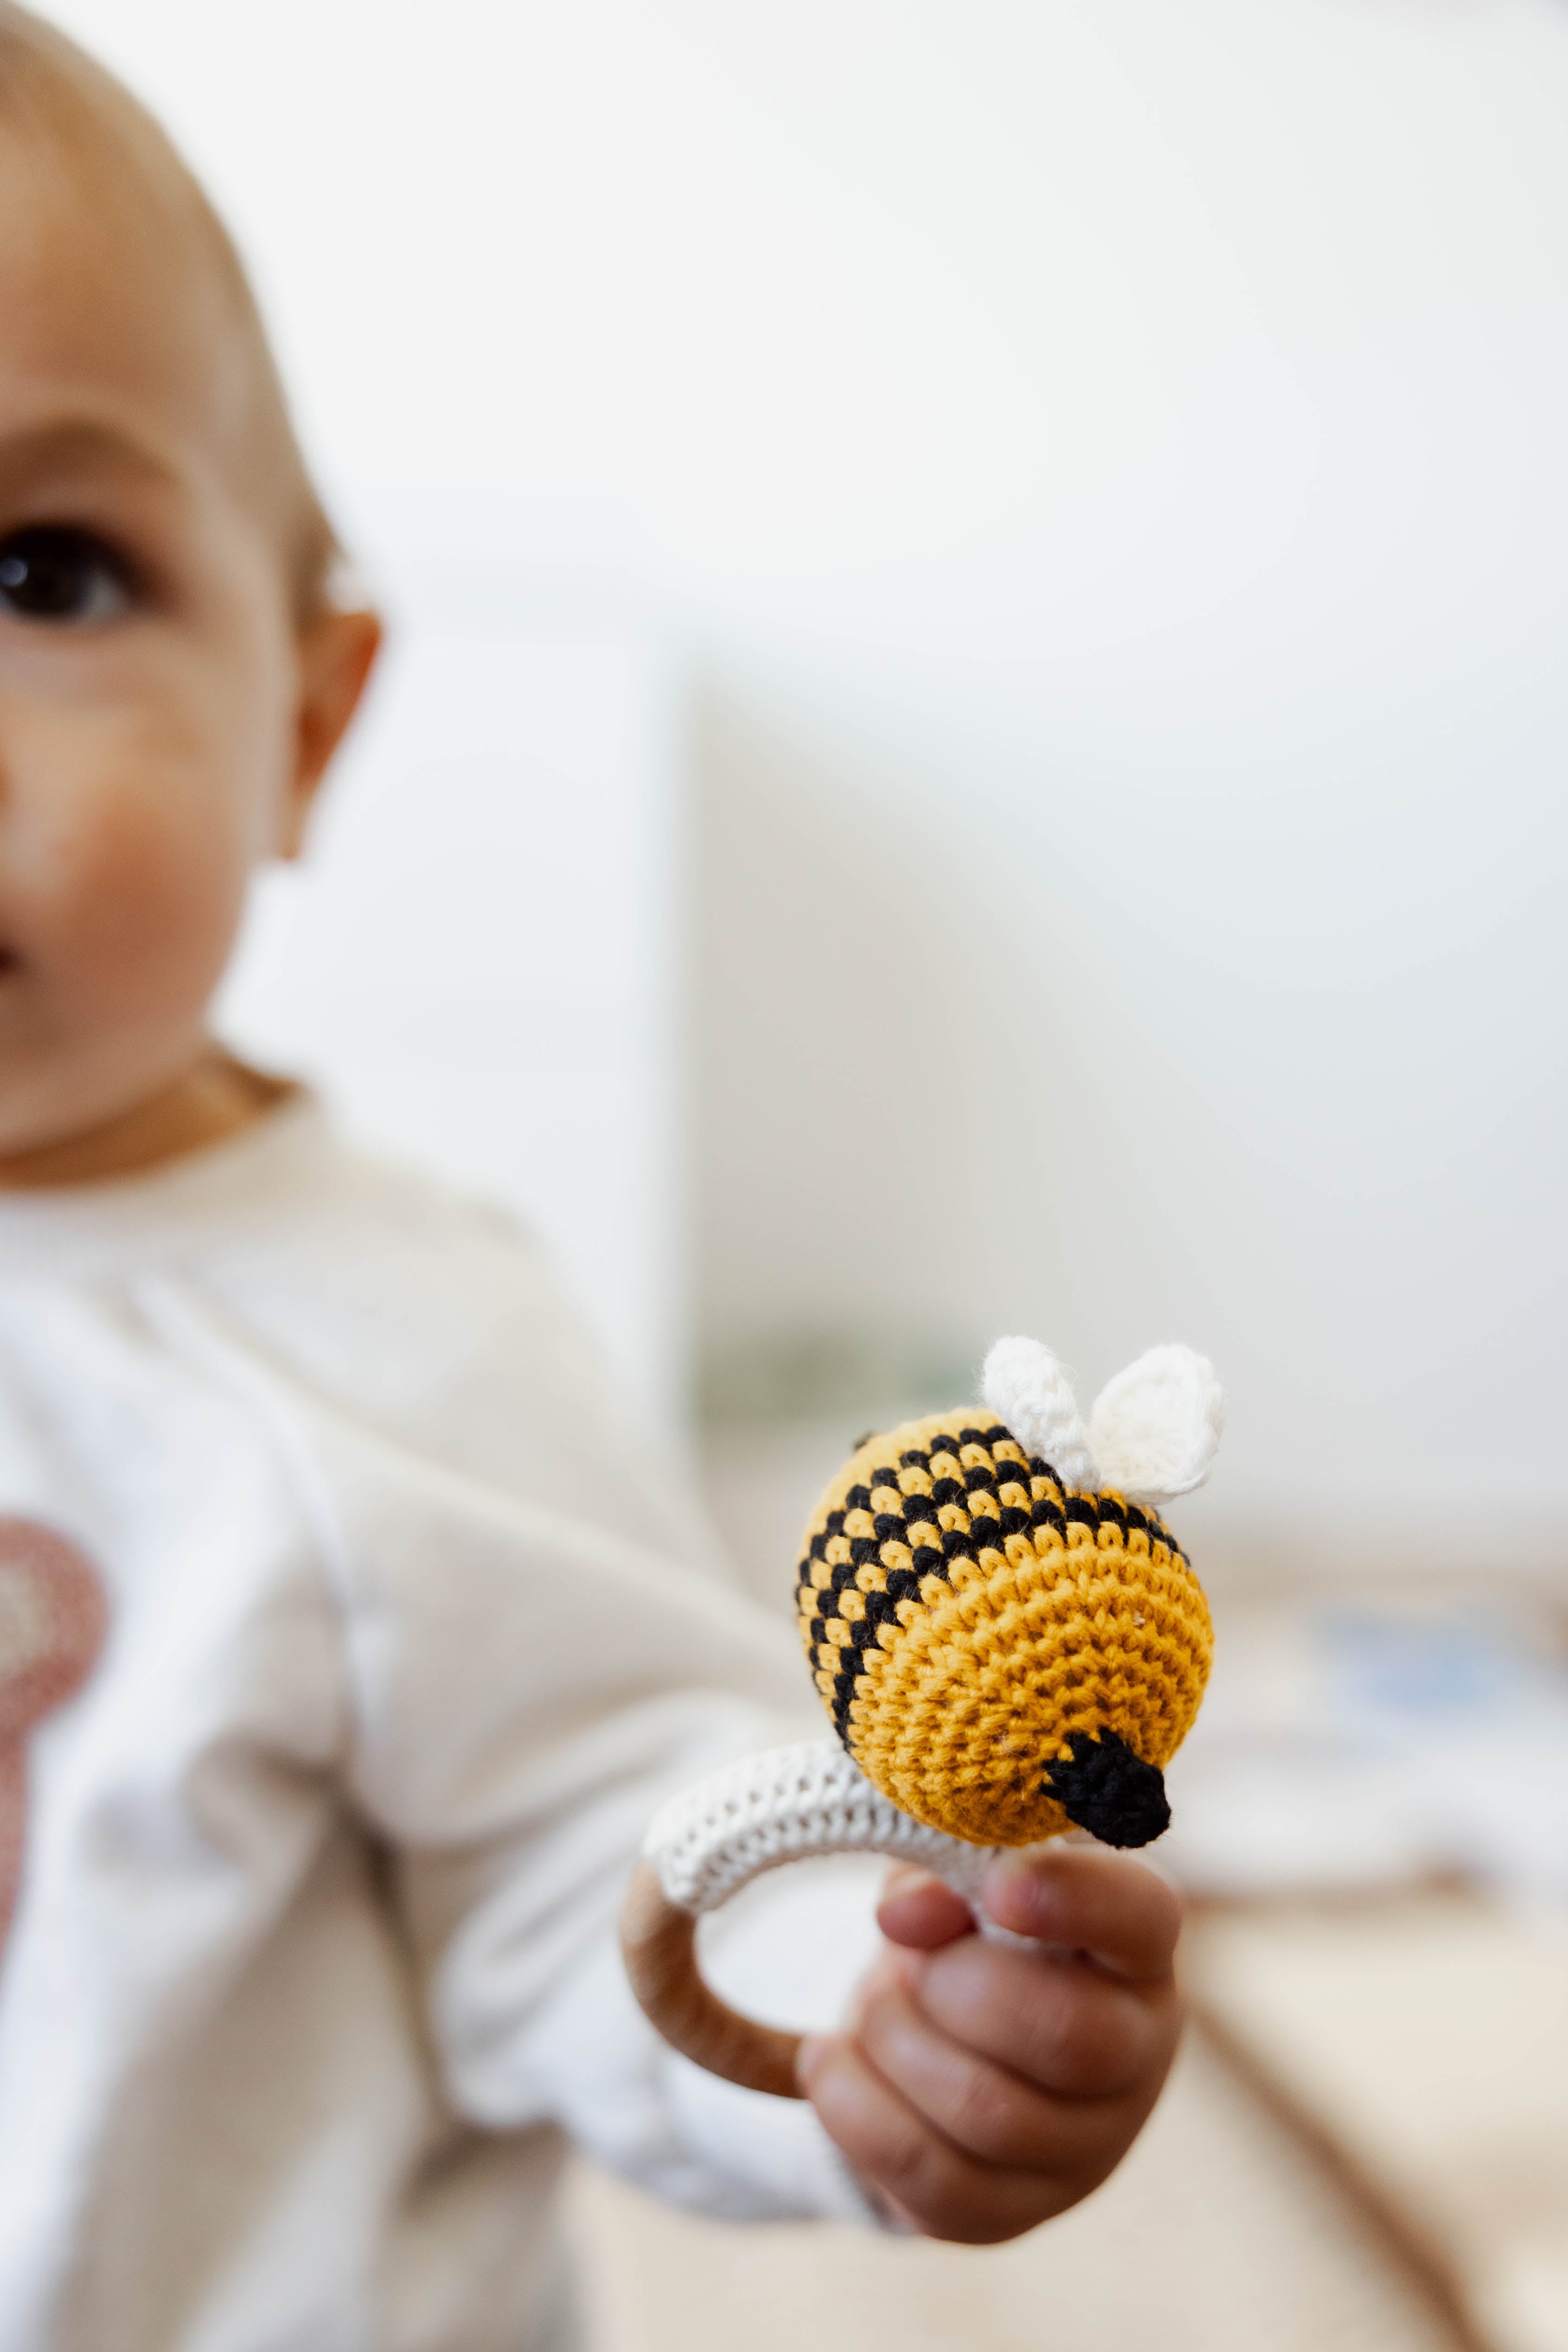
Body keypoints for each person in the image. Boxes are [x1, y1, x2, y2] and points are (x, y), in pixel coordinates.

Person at [0, 8, 1184, 2346]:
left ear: (307, 727)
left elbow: (620, 1837)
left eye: (44, 571)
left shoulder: (387, 1336)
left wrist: (871, 2003)